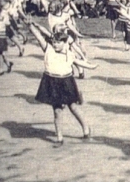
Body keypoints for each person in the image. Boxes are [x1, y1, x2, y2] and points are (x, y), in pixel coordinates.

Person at [26, 18, 97, 146]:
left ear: (65, 43)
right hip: (52, 82)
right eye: (54, 42)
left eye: (58, 42)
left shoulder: (69, 54)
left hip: (66, 82)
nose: (55, 44)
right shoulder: (48, 49)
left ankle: (86, 127)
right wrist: (30, 26)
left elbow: (78, 62)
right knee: (57, 111)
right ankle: (59, 138)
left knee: (73, 107)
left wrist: (91, 66)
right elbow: (39, 37)